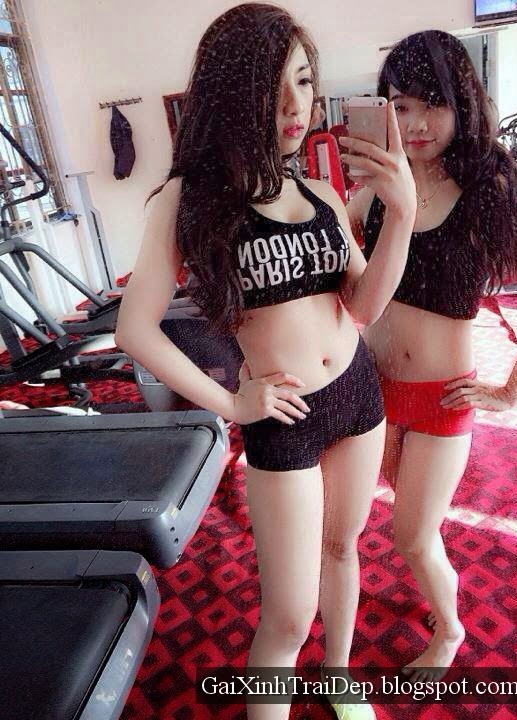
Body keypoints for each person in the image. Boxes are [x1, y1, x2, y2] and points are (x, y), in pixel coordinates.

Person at [115, 4, 417, 719]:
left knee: (343, 549)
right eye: (271, 86)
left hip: (357, 392)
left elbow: (363, 306)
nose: (294, 105)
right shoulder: (187, 201)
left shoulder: (319, 188)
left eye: (304, 81)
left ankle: (339, 677)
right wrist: (231, 405)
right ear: (229, 94)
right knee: (286, 617)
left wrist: (400, 215)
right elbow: (134, 330)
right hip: (282, 416)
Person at [342, 30, 517, 683]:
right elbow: (341, 256)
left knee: (410, 535)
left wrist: (513, 389)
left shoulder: (493, 186)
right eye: (401, 106)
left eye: (434, 105)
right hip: (373, 389)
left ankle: (450, 630)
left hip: (441, 396)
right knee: (397, 514)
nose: (417, 124)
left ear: (464, 105)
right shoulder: (379, 186)